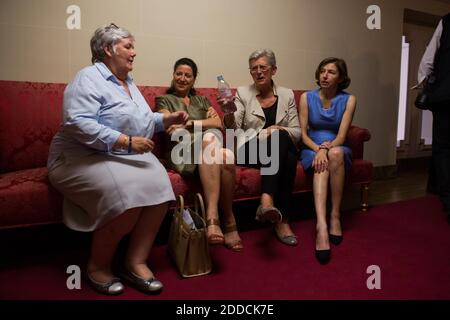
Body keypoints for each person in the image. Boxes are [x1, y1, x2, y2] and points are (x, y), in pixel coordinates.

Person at [47, 23, 189, 295]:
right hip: (79, 156)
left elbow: (142, 120)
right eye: (128, 46)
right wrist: (125, 141)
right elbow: (76, 123)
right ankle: (98, 266)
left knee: (161, 184)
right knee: (128, 194)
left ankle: (136, 261)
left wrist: (166, 119)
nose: (134, 53)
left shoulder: (128, 83)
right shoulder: (87, 77)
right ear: (107, 49)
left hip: (115, 154)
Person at [155, 57, 243, 252]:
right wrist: (202, 124)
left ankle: (222, 219)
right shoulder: (164, 99)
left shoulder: (201, 99)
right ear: (173, 75)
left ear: (194, 79)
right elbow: (168, 125)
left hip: (207, 148)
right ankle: (223, 220)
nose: (182, 78)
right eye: (179, 74)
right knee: (217, 146)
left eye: (188, 75)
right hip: (181, 151)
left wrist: (188, 124)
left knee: (226, 154)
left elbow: (218, 124)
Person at [219, 49, 301, 246]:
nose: (258, 72)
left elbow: (297, 133)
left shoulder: (287, 94)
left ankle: (274, 211)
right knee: (284, 149)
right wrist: (228, 111)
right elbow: (232, 129)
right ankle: (275, 213)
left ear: (274, 70)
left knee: (286, 151)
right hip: (249, 149)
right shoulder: (242, 93)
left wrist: (276, 129)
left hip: (278, 149)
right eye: (254, 68)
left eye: (263, 67)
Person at [299, 57, 356, 264]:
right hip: (311, 146)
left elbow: (341, 136)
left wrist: (326, 148)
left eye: (331, 72)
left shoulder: (349, 100)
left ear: (341, 77)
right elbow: (303, 134)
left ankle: (335, 216)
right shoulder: (306, 97)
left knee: (336, 154)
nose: (325, 75)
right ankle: (321, 225)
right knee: (323, 158)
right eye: (322, 71)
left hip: (336, 146)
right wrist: (318, 149)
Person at [417, 13, 450, 224]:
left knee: (443, 149)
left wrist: (424, 85)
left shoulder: (447, 21)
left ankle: (448, 202)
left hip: (445, 97)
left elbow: (428, 59)